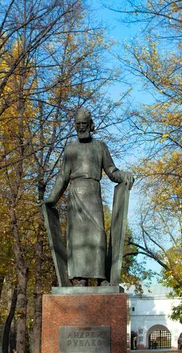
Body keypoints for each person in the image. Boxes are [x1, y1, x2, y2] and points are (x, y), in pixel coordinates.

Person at [44, 108, 133, 286]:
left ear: (91, 125)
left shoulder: (100, 146)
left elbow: (111, 171)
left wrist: (123, 175)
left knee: (98, 234)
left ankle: (100, 278)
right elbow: (63, 175)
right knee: (77, 237)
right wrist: (52, 198)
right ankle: (81, 278)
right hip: (76, 194)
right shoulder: (70, 148)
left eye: (84, 125)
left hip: (93, 192)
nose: (81, 128)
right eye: (78, 125)